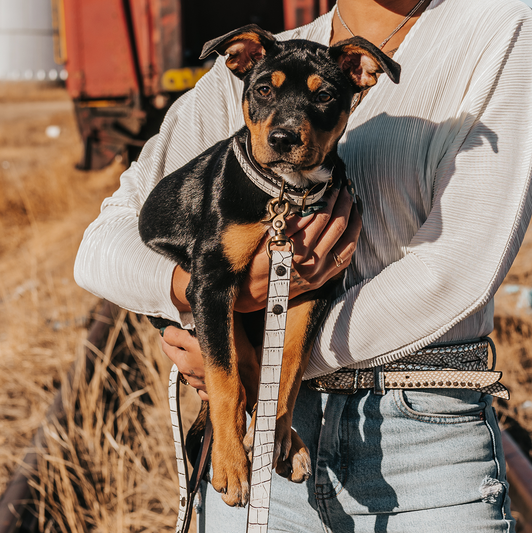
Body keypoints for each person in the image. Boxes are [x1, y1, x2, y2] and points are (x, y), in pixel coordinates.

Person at [74, 0, 532, 530]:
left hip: (419, 447)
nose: (287, 125)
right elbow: (101, 246)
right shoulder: (265, 59)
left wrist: (266, 368)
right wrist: (198, 291)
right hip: (251, 446)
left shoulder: (502, 27)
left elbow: (452, 273)